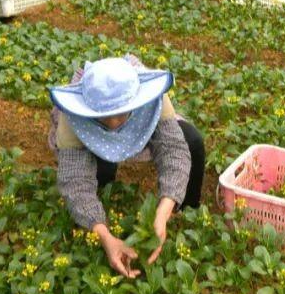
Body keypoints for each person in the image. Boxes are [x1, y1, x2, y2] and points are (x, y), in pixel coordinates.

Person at [49, 56, 206, 278]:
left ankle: (185, 210)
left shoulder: (151, 98)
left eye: (121, 115)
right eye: (105, 117)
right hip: (94, 140)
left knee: (192, 142)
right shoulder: (73, 116)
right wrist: (105, 237)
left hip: (145, 124)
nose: (114, 124)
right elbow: (75, 182)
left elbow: (173, 151)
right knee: (101, 171)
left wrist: (163, 212)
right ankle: (98, 211)